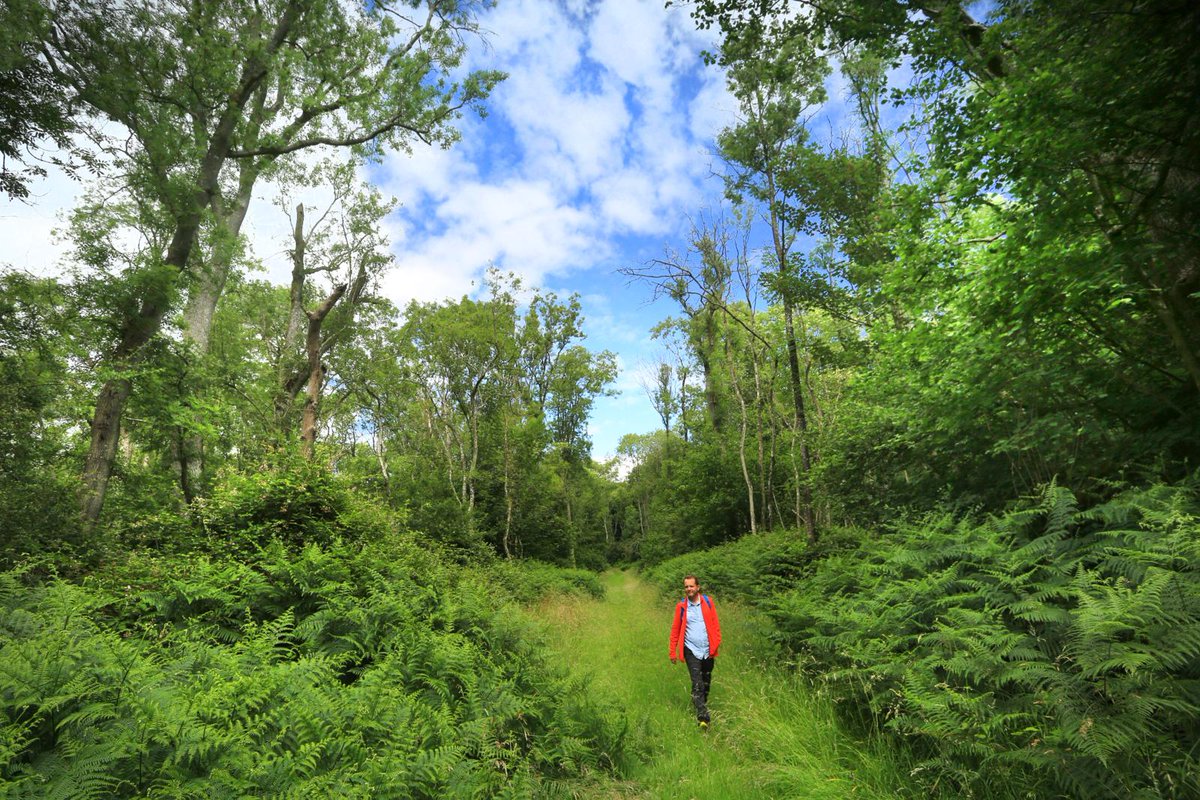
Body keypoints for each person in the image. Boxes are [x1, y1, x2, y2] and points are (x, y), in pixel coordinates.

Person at [668, 574, 722, 729]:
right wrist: (673, 652)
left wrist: (716, 643)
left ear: (698, 587)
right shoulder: (682, 607)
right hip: (691, 649)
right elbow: (675, 630)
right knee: (697, 683)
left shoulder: (708, 602)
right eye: (686, 586)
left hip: (708, 650)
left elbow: (715, 625)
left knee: (706, 682)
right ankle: (703, 718)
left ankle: (700, 703)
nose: (688, 589)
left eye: (691, 586)